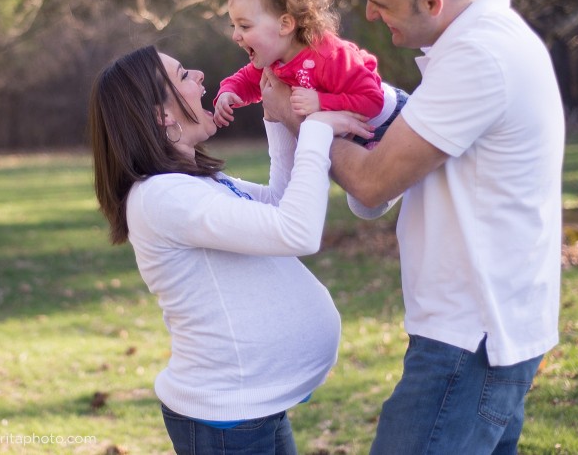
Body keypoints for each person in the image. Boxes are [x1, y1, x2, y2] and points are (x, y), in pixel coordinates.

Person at [261, 0, 565, 454]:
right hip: (486, 327)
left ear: (430, 1)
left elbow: (374, 183)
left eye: (381, 3)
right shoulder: (482, 42)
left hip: (469, 337)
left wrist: (294, 115)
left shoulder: (478, 58)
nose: (371, 17)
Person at [88, 45, 370, 455]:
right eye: (184, 75)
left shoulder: (197, 183)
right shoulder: (162, 196)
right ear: (161, 116)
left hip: (252, 407)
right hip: (226, 422)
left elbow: (279, 205)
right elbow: (298, 233)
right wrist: (316, 130)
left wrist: (276, 120)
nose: (201, 75)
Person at [213, 0, 408, 150]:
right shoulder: (274, 61)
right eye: (234, 26)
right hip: (357, 135)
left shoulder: (330, 56)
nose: (235, 36)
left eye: (244, 26)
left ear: (285, 25)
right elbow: (246, 80)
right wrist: (229, 92)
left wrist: (320, 102)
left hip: (390, 122)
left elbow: (372, 100)